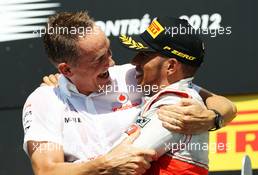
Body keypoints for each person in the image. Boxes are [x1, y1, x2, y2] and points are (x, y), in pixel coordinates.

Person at [22, 11, 237, 175]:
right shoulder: (45, 99)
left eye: (108, 50)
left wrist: (212, 119)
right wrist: (104, 166)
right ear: (66, 70)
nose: (112, 62)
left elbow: (221, 103)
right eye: (99, 59)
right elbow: (46, 171)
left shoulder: (131, 76)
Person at [118, 17, 211, 175]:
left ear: (171, 66)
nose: (134, 61)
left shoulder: (176, 105)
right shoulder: (174, 96)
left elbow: (119, 162)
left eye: (144, 54)